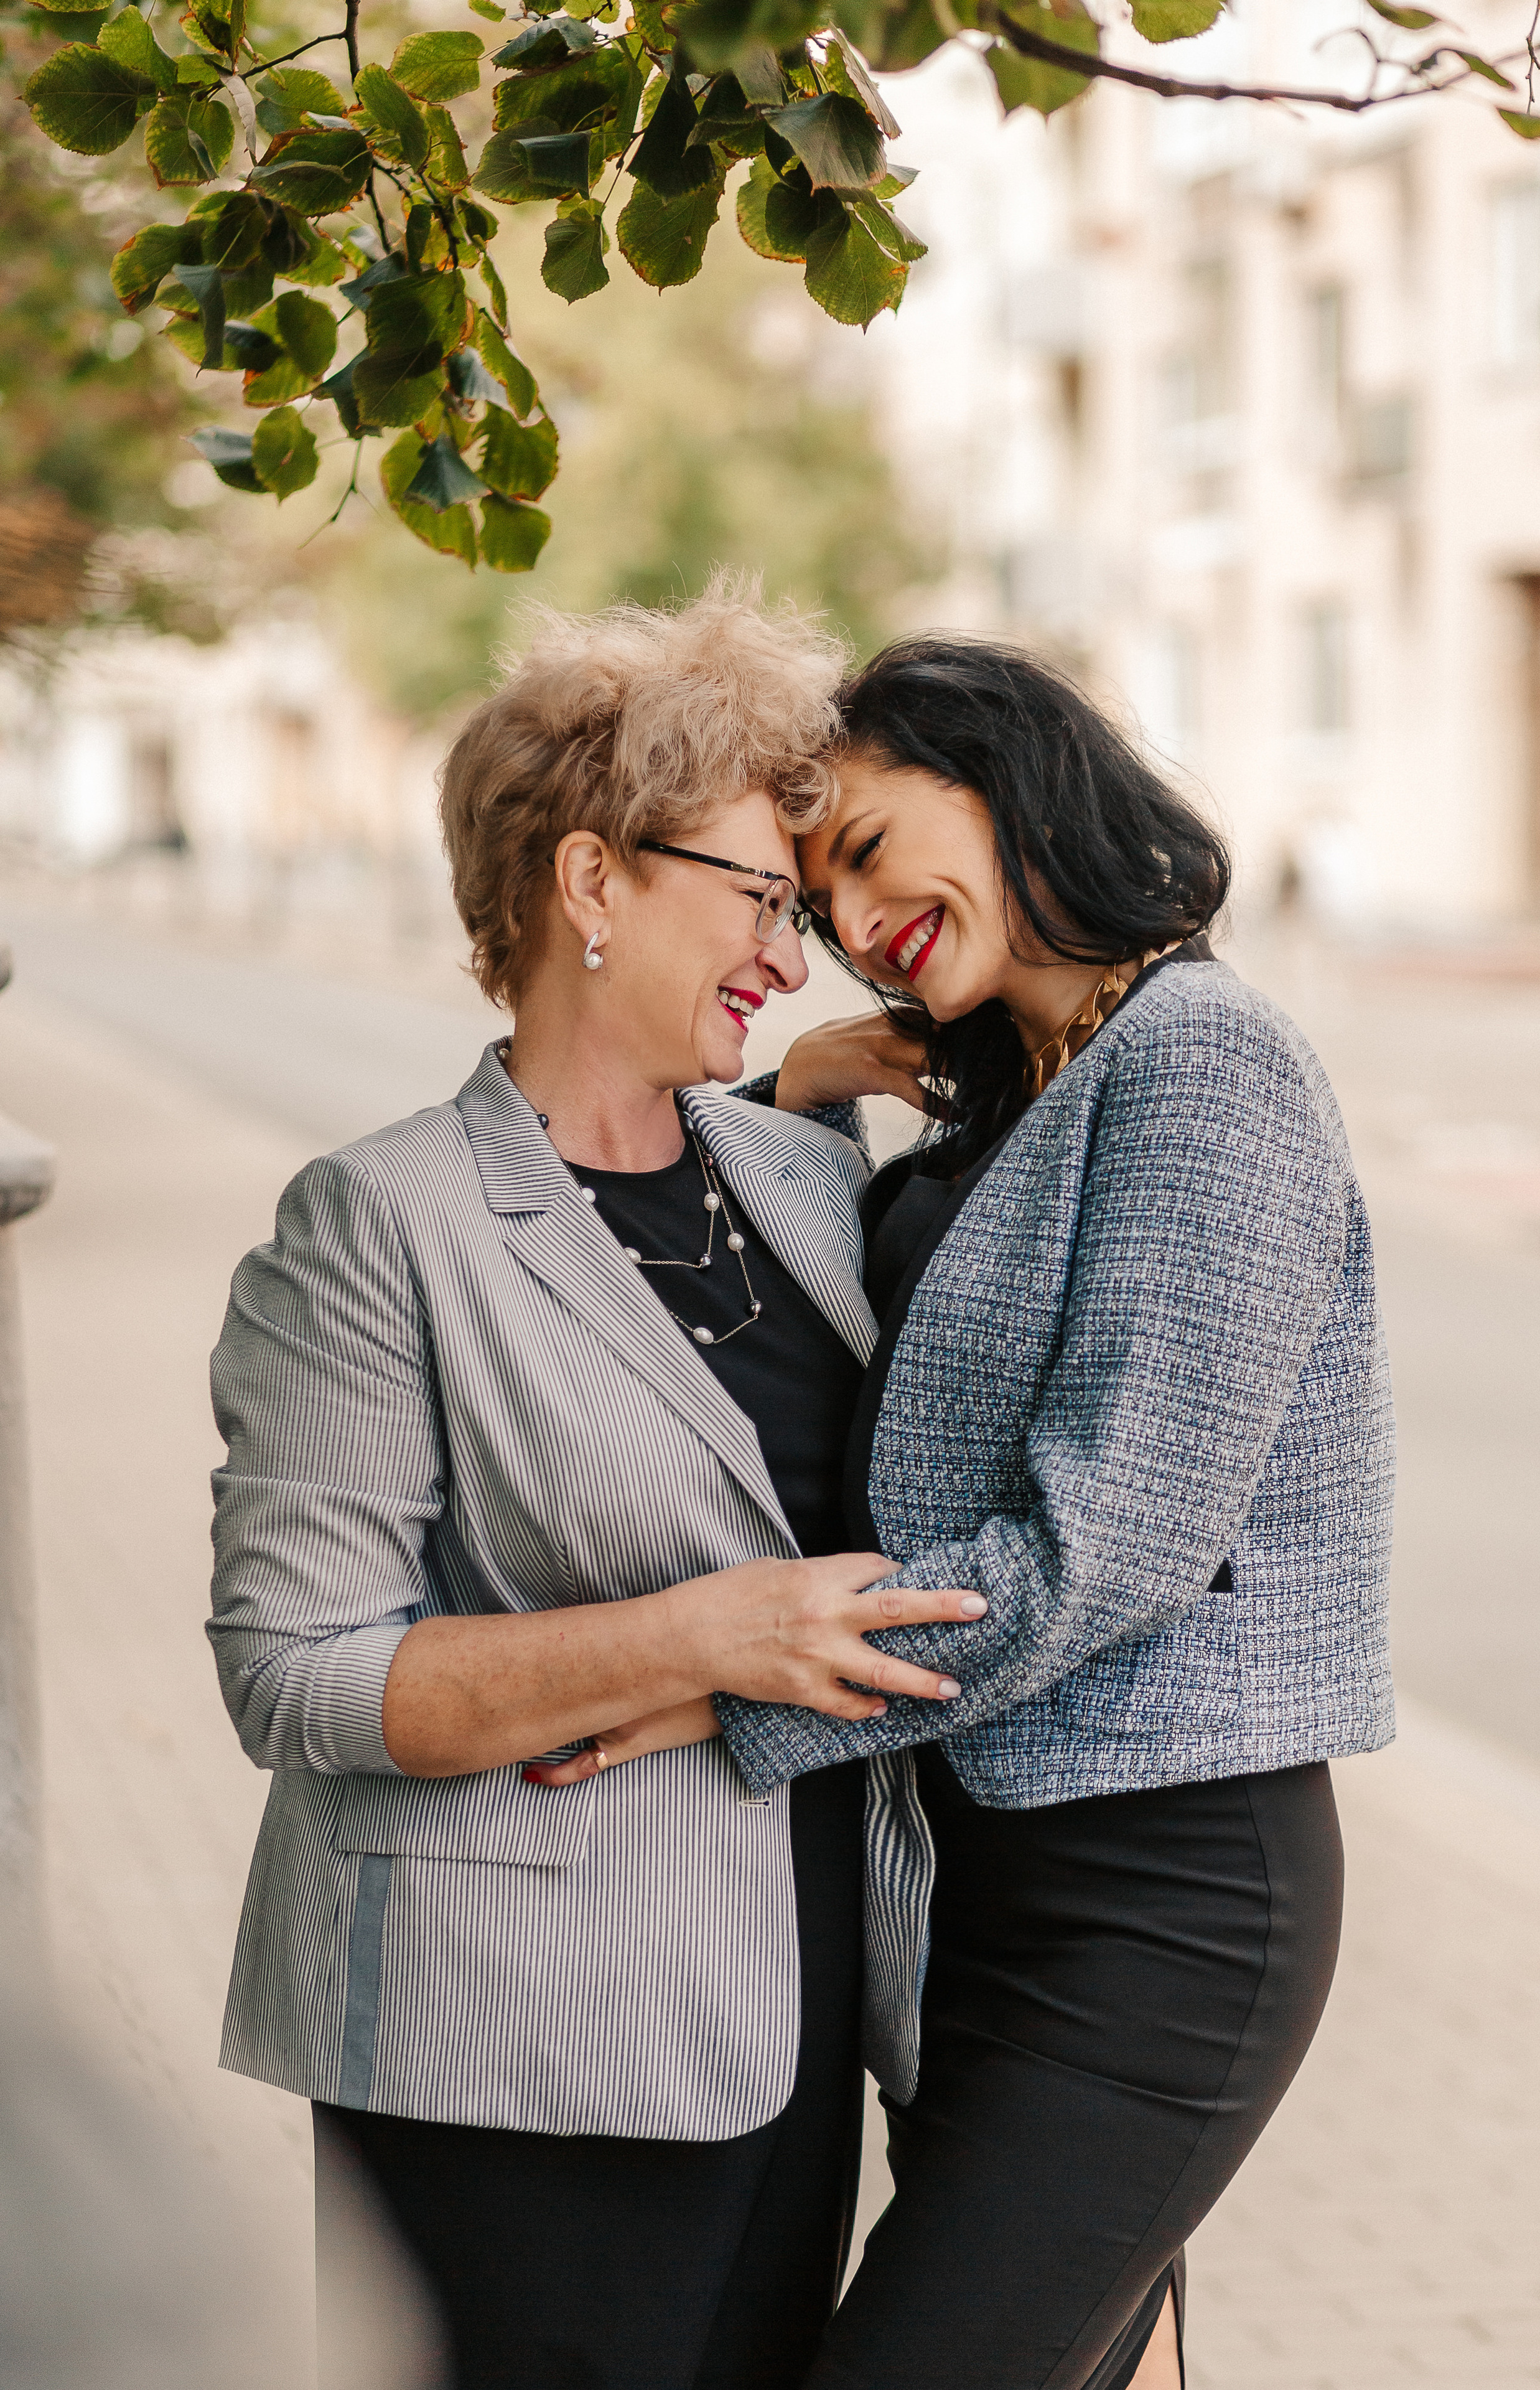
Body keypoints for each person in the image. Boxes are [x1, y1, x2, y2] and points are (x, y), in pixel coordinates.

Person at [557, 635, 1396, 2390]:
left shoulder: (1202, 1061)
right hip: (977, 1894)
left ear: (1008, 774)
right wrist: (797, 1099)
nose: (856, 924)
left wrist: (734, 1686)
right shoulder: (1023, 1088)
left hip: (1161, 1899)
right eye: (817, 891)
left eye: (868, 851)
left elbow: (1115, 1544)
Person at [204, 589, 982, 2390]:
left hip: (791, 2009)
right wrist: (702, 1639)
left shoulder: (793, 1181)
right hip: (509, 2052)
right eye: (761, 900)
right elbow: (298, 1673)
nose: (796, 956)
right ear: (591, 881)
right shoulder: (377, 1224)